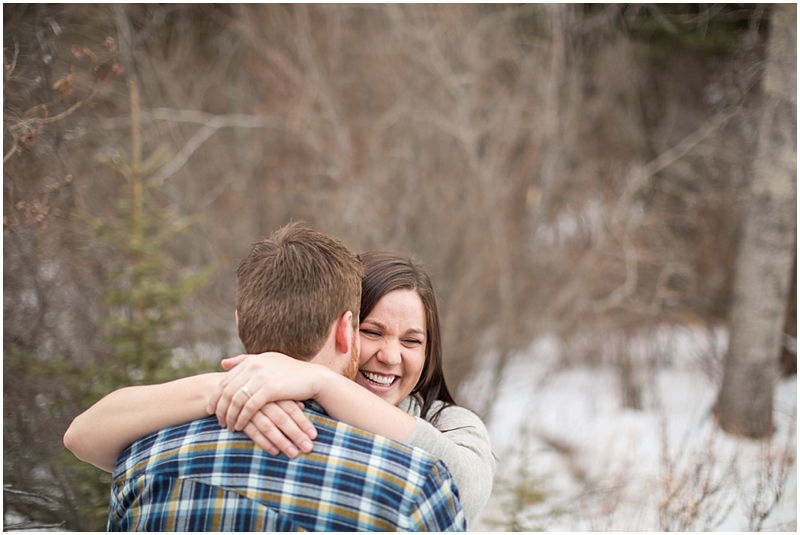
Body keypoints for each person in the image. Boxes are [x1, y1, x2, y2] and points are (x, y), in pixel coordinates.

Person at [66, 223, 466, 531]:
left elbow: (81, 437)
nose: (389, 354)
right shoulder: (413, 485)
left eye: (412, 340)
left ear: (240, 321)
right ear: (348, 330)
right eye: (372, 331)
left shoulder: (143, 456)